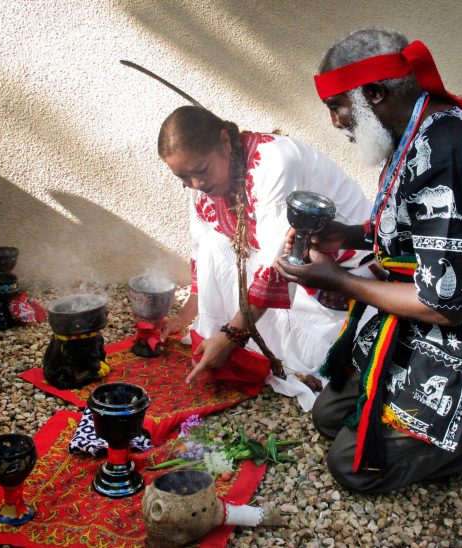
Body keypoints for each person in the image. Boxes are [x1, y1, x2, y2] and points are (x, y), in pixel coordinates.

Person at [275, 28, 462, 492]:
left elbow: (446, 305)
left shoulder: (449, 158)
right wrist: (348, 236)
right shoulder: (416, 131)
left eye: (337, 107)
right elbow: (417, 233)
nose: (335, 122)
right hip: (420, 327)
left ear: (373, 94)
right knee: (329, 415)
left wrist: (339, 278)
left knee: (356, 469)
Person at [157, 105, 371, 410]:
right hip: (287, 269)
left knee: (318, 354)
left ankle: (259, 349)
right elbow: (201, 247)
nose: (196, 185)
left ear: (224, 141)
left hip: (339, 272)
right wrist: (185, 316)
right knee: (215, 243)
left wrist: (231, 336)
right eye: (183, 177)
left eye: (201, 171)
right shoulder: (201, 180)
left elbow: (280, 264)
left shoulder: (276, 162)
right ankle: (234, 341)